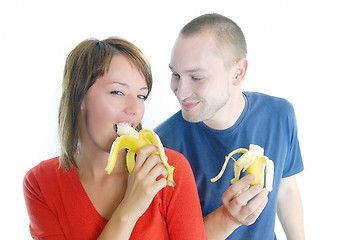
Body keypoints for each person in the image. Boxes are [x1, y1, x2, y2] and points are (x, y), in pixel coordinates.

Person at [23, 37, 207, 239]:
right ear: (79, 97)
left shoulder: (169, 170)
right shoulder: (40, 183)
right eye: (117, 92)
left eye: (141, 96)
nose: (135, 110)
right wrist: (130, 208)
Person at [155, 13, 305, 240]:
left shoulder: (280, 114)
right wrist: (229, 217)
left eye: (196, 77)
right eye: (176, 74)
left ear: (238, 72)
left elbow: (285, 189)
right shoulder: (163, 146)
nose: (180, 91)